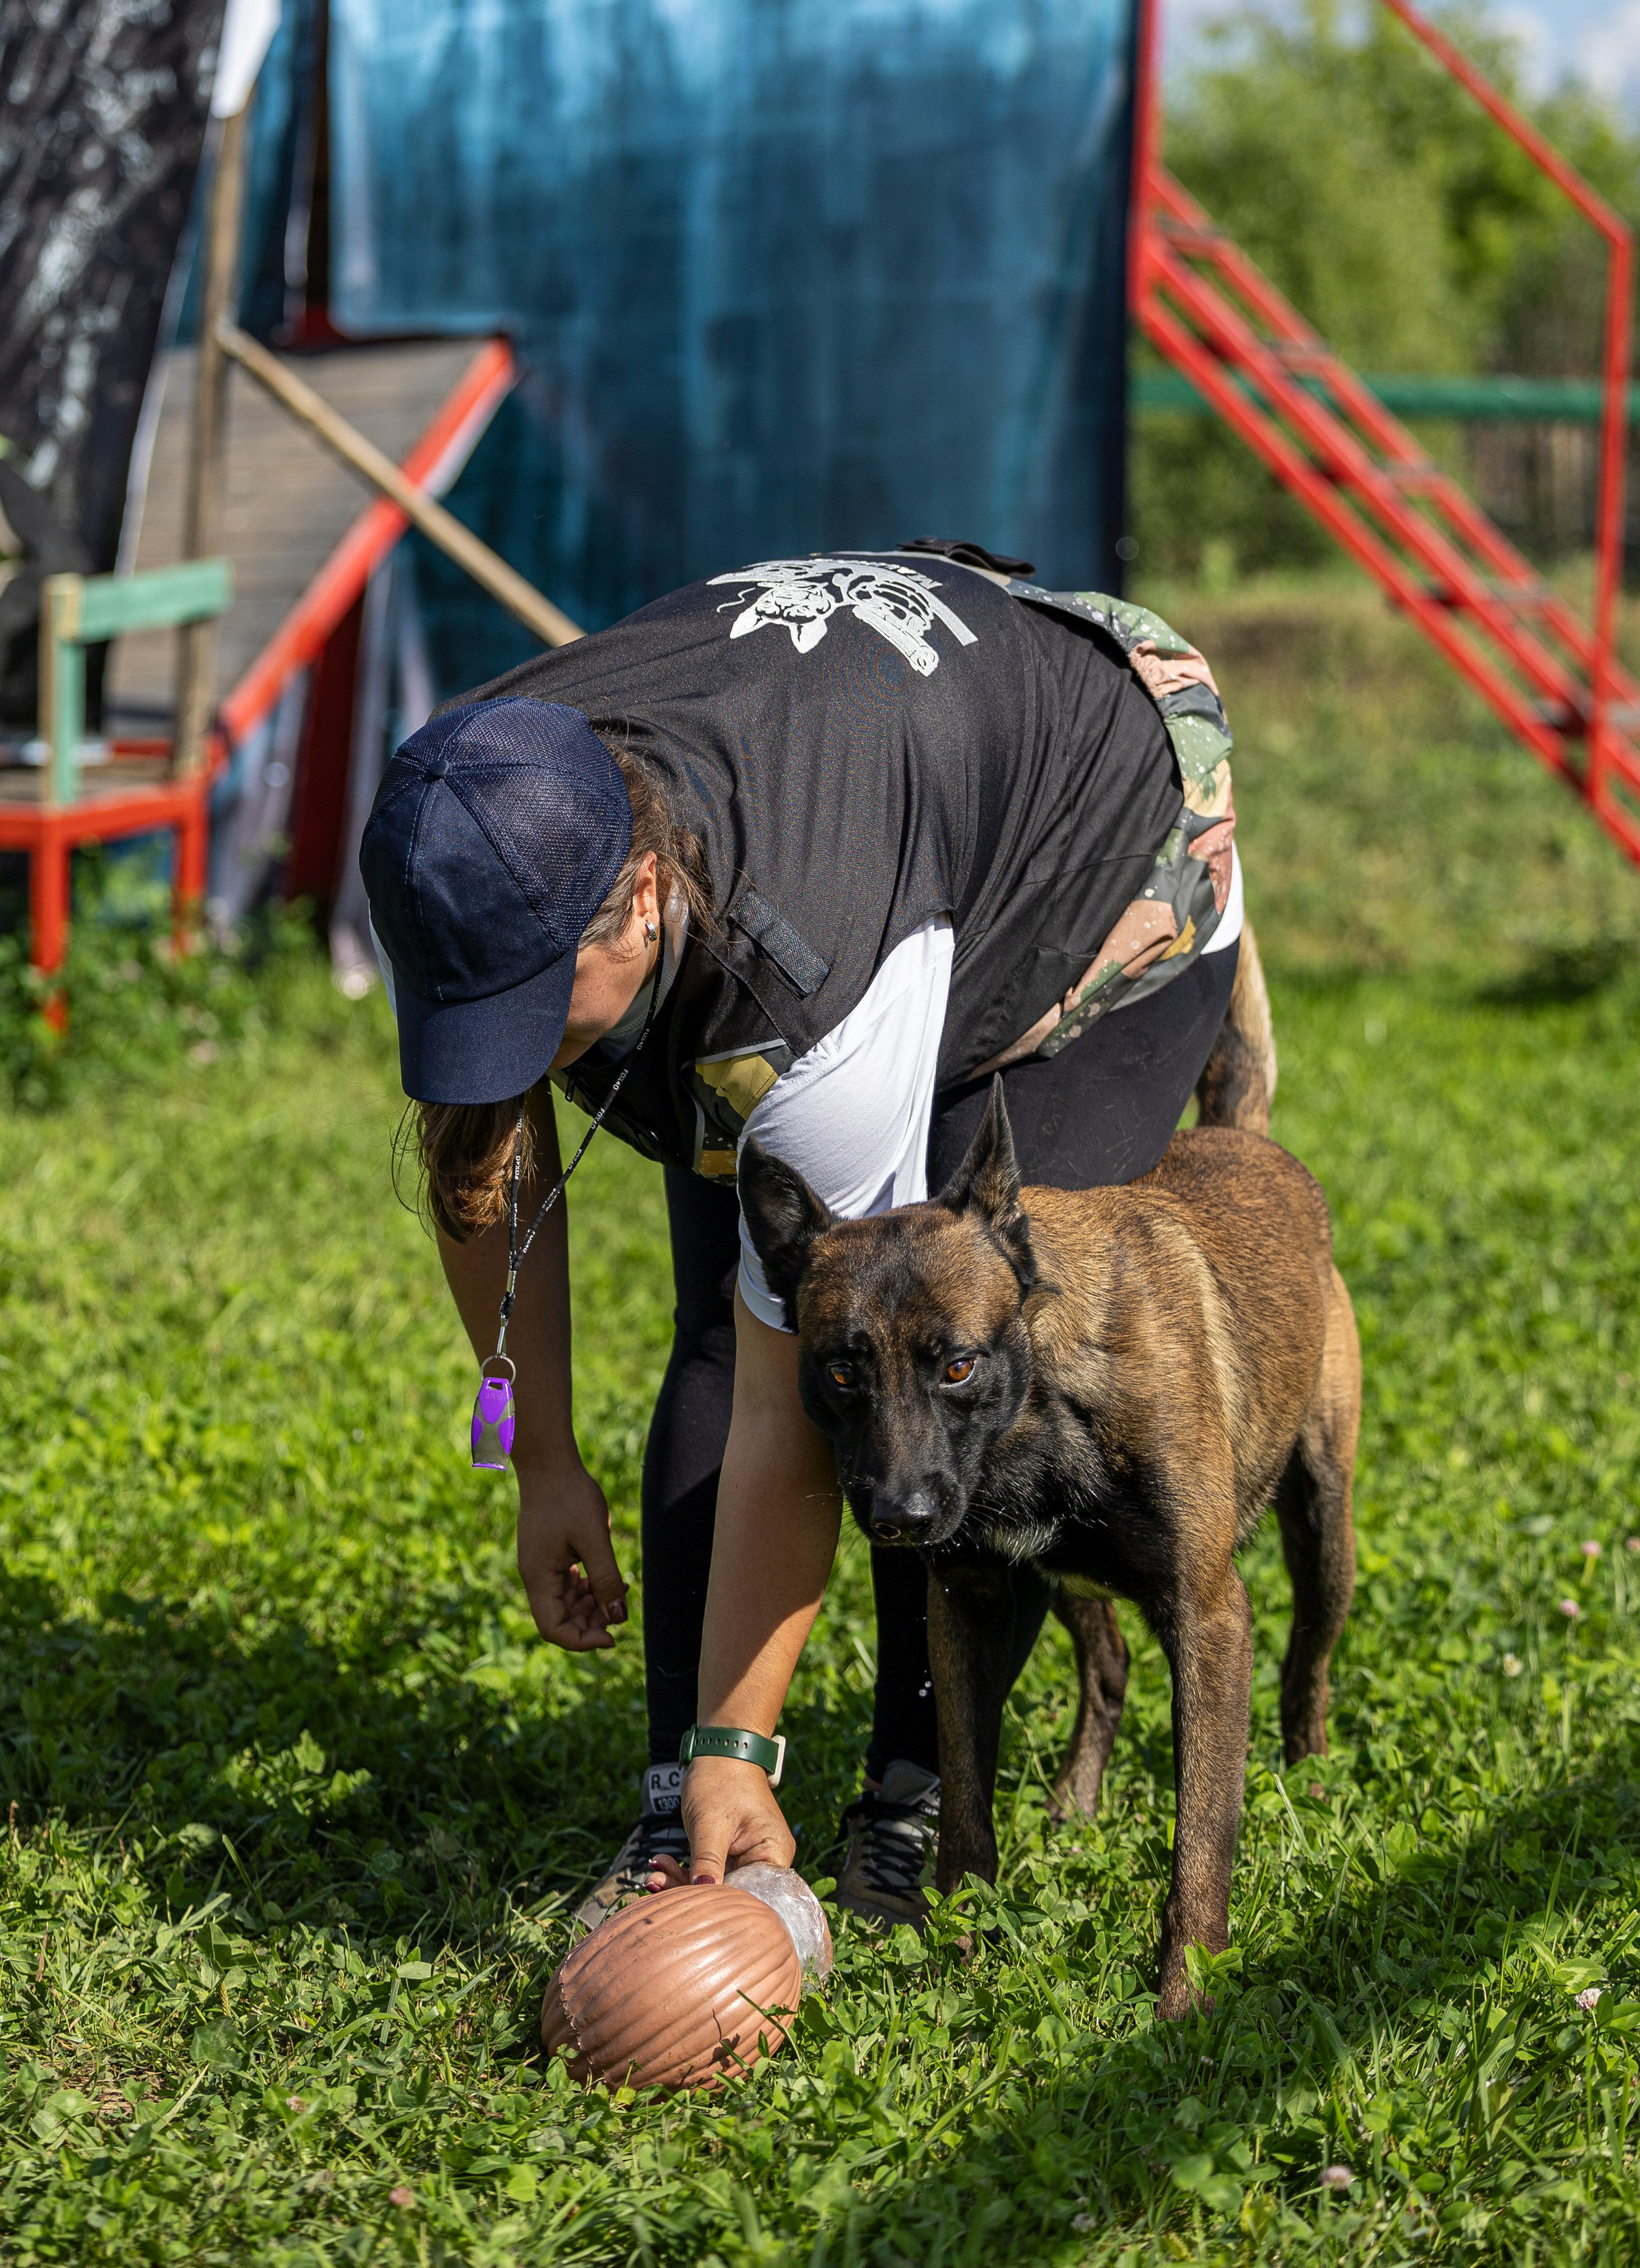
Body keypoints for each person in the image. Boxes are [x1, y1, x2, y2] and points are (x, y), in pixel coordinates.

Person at [360, 539, 1255, 1923]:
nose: (523, 1058)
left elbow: (788, 1417)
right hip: (872, 792)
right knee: (724, 1317)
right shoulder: (476, 805)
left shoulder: (805, 989)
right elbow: (489, 1157)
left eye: (548, 1021)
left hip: (1095, 831)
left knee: (922, 1351)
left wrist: (744, 1739)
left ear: (646, 899)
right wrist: (542, 1461)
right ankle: (675, 1810)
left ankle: (902, 1801)